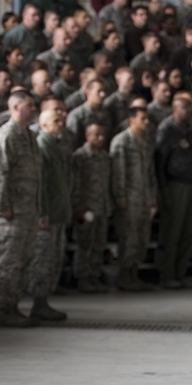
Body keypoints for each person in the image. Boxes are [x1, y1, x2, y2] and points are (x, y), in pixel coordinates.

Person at [0, 90, 41, 327]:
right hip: (11, 212)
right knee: (10, 261)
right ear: (16, 107)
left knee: (24, 258)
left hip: (27, 210)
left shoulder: (28, 135)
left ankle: (15, 305)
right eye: (29, 105)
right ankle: (6, 309)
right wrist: (2, 206)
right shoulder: (6, 135)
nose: (34, 109)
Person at [154, 94, 192, 288]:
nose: (188, 111)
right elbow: (160, 163)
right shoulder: (167, 131)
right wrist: (163, 190)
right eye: (184, 107)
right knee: (172, 231)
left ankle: (180, 272)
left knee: (189, 231)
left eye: (190, 107)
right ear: (174, 109)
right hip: (176, 185)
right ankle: (167, 274)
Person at [29, 108, 72, 322]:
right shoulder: (42, 147)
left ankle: (44, 300)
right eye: (56, 120)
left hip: (58, 212)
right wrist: (42, 213)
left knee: (54, 259)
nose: (61, 123)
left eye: (61, 118)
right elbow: (41, 185)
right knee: (43, 261)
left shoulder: (56, 146)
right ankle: (39, 301)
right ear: (44, 125)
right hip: (48, 215)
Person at [110, 106, 157, 291]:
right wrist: (120, 196)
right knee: (128, 238)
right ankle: (124, 276)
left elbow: (150, 172)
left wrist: (153, 198)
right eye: (143, 119)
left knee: (142, 238)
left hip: (144, 197)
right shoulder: (122, 141)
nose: (147, 122)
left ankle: (134, 274)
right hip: (129, 199)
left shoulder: (145, 142)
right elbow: (118, 173)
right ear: (132, 120)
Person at [71, 123, 112, 292]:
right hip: (86, 207)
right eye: (96, 135)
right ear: (88, 136)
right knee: (85, 245)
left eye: (102, 135)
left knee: (99, 244)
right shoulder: (80, 157)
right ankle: (83, 278)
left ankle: (94, 276)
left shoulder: (104, 157)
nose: (100, 138)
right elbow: (74, 184)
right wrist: (78, 208)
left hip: (102, 206)